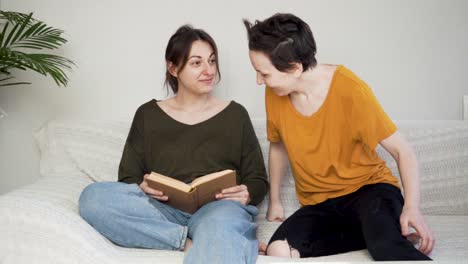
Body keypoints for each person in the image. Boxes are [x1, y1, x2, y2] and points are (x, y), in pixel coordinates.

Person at [243, 13, 434, 261]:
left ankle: (381, 230)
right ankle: (372, 230)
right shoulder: (275, 93)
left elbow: (402, 151)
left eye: (264, 74)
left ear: (295, 68)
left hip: (370, 190)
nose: (259, 81)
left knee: (385, 246)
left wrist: (412, 208)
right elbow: (278, 145)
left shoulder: (350, 90)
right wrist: (275, 201)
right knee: (277, 250)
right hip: (319, 203)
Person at [79, 25, 268, 264]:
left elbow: (258, 179)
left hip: (218, 209)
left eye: (211, 61)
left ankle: (218, 237)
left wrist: (247, 192)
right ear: (173, 68)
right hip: (161, 210)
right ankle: (187, 242)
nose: (209, 70)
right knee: (93, 198)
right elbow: (127, 176)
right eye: (196, 63)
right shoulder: (148, 114)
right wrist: (142, 187)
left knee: (222, 223)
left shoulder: (235, 114)